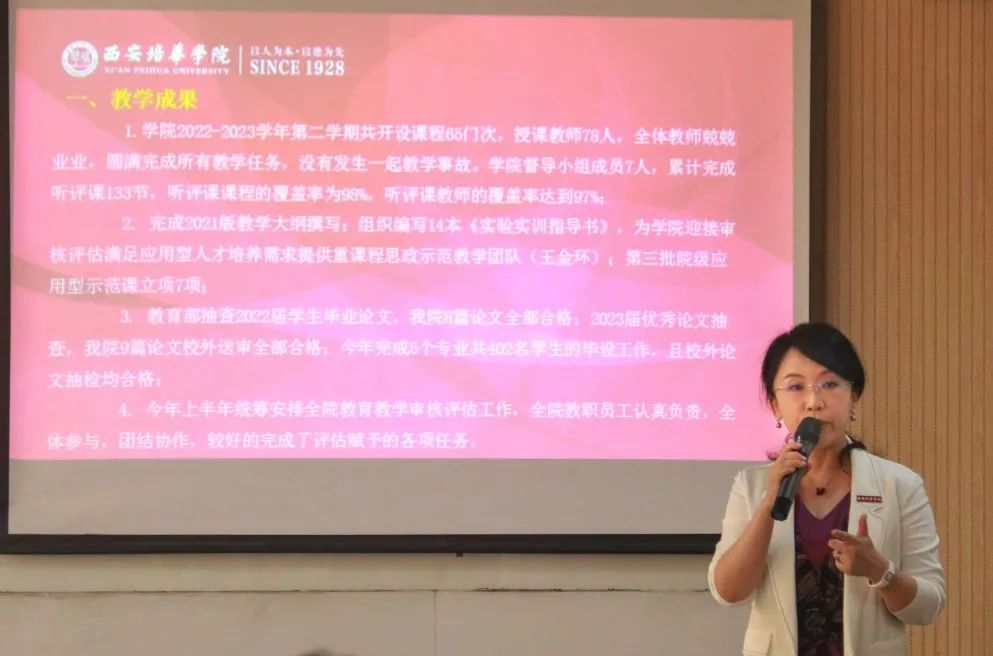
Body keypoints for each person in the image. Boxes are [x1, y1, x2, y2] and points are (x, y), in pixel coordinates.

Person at [708, 322, 945, 656]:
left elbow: (928, 606)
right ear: (775, 405)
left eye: (829, 384)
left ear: (854, 397)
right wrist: (768, 504)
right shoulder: (751, 486)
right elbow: (729, 592)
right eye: (795, 387)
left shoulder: (899, 485)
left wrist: (881, 572)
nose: (813, 402)